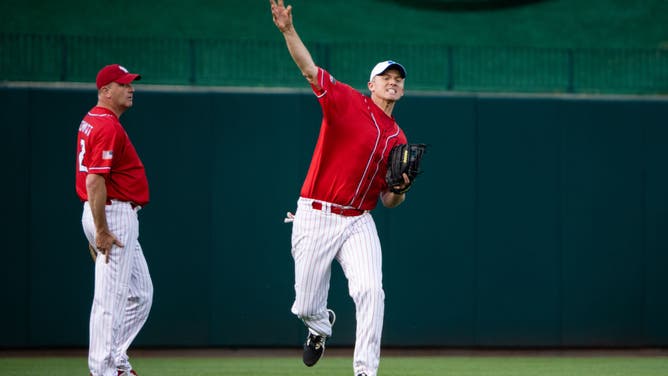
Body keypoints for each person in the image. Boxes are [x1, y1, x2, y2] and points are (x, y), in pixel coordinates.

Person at [270, 2, 414, 376]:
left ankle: (365, 371)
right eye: (386, 77)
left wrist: (401, 188)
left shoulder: (398, 138)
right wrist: (288, 30)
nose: (393, 82)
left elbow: (389, 200)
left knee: (371, 292)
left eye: (399, 78)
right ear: (372, 84)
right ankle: (318, 327)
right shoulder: (348, 101)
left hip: (358, 221)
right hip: (316, 214)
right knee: (304, 306)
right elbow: (308, 69)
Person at [75, 64, 153, 376]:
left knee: (141, 294)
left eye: (130, 83)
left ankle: (116, 360)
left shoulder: (94, 120)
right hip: (111, 215)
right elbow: (95, 182)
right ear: (106, 91)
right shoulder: (106, 126)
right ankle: (103, 370)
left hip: (109, 213)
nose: (130, 88)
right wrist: (103, 231)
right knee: (109, 300)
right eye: (123, 84)